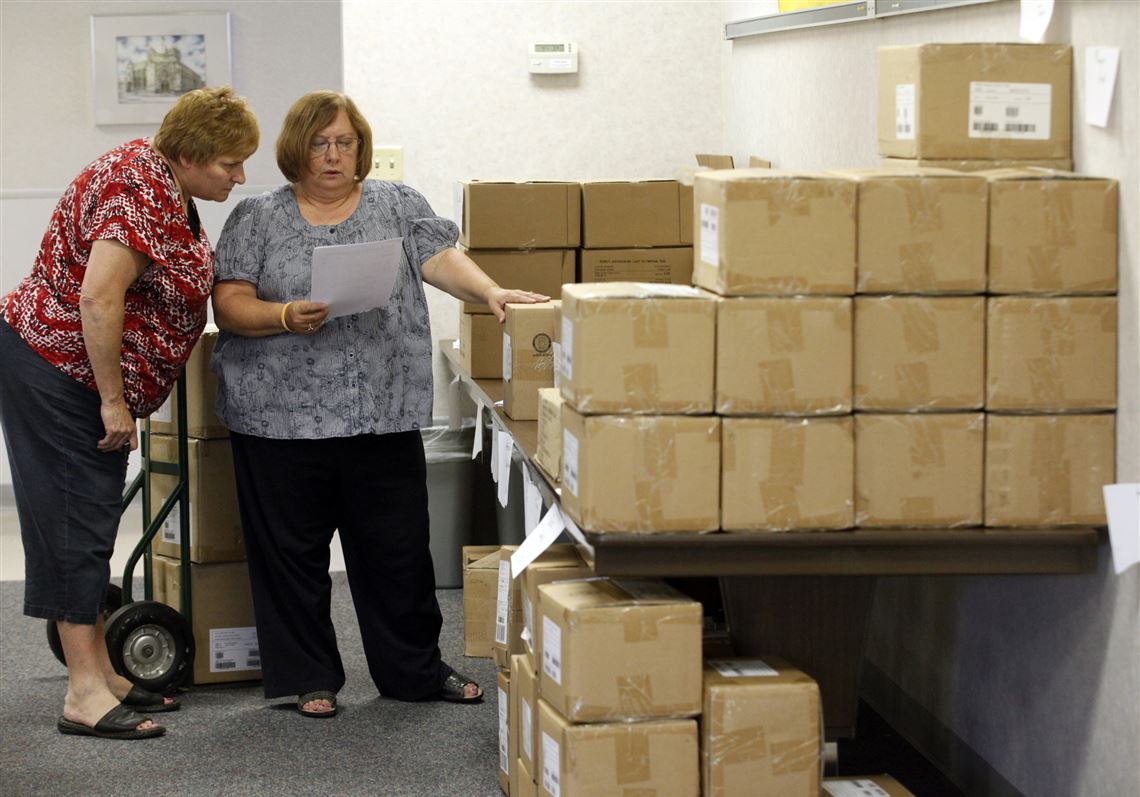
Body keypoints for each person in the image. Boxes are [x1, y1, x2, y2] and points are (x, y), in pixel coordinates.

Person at [210, 90, 547, 718]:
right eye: (319, 144)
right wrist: (284, 315)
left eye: (345, 142)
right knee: (291, 556)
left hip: (381, 412)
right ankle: (309, 677)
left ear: (360, 148)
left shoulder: (397, 204)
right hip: (279, 419)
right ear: (296, 150)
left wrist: (490, 292)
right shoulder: (256, 217)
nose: (333, 155)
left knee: (397, 551)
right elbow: (229, 303)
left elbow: (440, 259)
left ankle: (413, 671)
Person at [0, 87, 259, 739]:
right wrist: (113, 399)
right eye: (230, 162)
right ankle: (83, 692)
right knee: (75, 520)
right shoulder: (135, 186)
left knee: (88, 517)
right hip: (60, 370)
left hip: (72, 374)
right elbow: (98, 297)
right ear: (190, 155)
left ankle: (102, 675)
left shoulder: (164, 183)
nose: (239, 176)